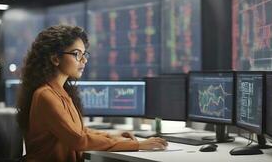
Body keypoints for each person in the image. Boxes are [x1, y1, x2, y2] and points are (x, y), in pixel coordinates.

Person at [16, 25, 167, 162]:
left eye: (84, 54)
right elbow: (79, 140)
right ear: (55, 58)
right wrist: (137, 145)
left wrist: (113, 136)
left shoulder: (60, 92)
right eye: (76, 54)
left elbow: (80, 131)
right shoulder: (45, 95)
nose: (84, 60)